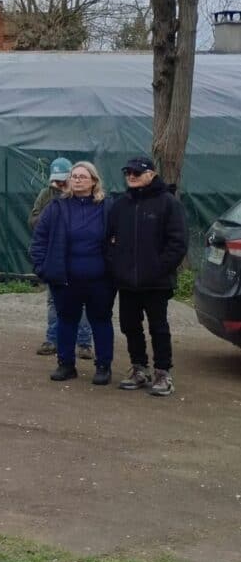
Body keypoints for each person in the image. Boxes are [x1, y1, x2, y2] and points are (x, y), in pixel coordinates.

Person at [107, 156, 188, 396]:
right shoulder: (120, 205)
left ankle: (163, 372)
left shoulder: (168, 203)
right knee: (130, 325)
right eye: (128, 172)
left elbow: (177, 243)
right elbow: (109, 240)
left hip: (156, 282)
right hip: (127, 282)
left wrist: (157, 269)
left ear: (151, 174)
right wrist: (117, 267)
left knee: (158, 327)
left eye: (136, 172)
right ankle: (139, 368)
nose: (131, 176)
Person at [30, 160, 116, 385]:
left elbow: (120, 240)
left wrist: (115, 271)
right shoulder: (57, 207)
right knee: (66, 321)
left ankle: (103, 366)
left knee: (101, 322)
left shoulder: (107, 207)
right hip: (66, 279)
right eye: (74, 176)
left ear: (94, 181)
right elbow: (39, 239)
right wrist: (42, 268)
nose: (77, 179)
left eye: (83, 176)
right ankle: (66, 365)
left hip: (100, 280)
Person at [30, 157, 95, 359]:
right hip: (54, 256)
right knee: (53, 301)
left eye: (62, 180)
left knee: (83, 301)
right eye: (56, 181)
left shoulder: (84, 197)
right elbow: (33, 222)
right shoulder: (46, 195)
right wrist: (52, 210)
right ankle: (52, 339)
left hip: (78, 257)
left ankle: (84, 343)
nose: (59, 184)